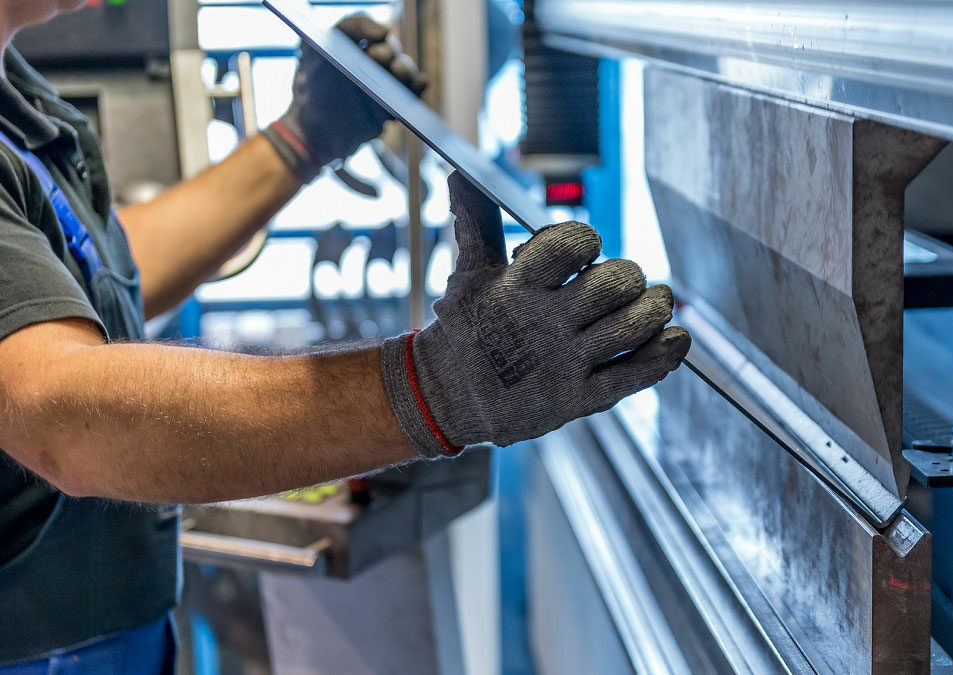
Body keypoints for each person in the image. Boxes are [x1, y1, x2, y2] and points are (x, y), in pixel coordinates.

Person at [0, 1, 690, 672]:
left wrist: (302, 138)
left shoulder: (16, 89)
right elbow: (60, 411)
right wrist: (434, 388)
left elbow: (88, 278)